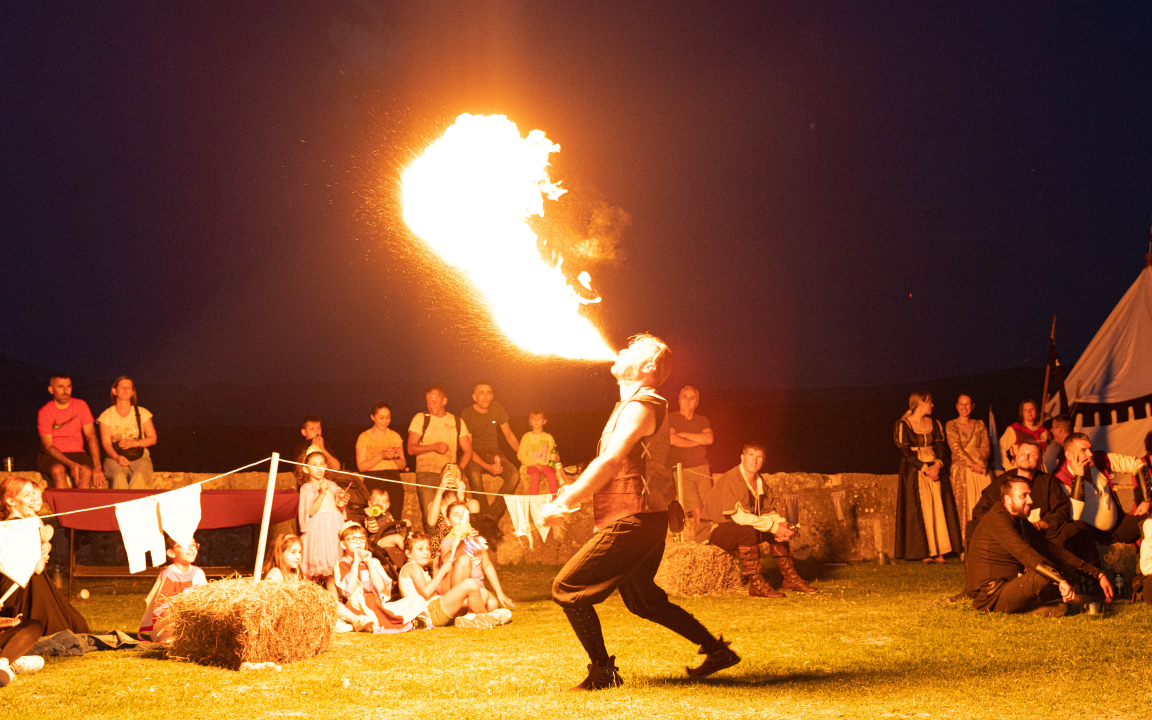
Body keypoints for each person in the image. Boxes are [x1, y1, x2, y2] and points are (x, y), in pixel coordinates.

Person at [541, 334, 739, 690]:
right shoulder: (633, 405)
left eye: (634, 349)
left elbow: (610, 461)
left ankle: (602, 672)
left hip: (634, 520)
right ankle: (717, 650)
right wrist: (573, 492)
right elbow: (619, 468)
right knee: (644, 601)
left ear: (648, 366)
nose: (621, 350)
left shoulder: (643, 405)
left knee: (567, 588)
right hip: (645, 520)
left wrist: (564, 502)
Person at [965, 476, 1111, 616]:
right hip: (991, 596)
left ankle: (1053, 606)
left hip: (1009, 586)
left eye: (1030, 495)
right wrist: (1059, 580)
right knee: (1042, 578)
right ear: (1008, 499)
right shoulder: (998, 519)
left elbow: (1053, 550)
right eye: (1024, 496)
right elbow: (1026, 554)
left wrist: (1098, 574)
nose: (1030, 500)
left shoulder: (1019, 520)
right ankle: (1051, 607)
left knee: (1059, 569)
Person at [0, 477, 87, 685]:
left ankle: (7, 662)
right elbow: (37, 568)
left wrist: (41, 546)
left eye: (34, 494)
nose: (33, 499)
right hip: (19, 593)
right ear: (10, 501)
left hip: (20, 588)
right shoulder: (19, 527)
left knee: (69, 624)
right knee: (66, 627)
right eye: (26, 495)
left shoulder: (11, 526)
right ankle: (9, 661)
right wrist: (40, 550)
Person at [702, 442, 816, 598]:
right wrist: (774, 527)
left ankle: (790, 579)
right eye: (751, 455)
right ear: (742, 457)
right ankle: (756, 585)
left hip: (737, 528)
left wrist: (782, 525)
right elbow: (739, 518)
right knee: (749, 530)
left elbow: (768, 511)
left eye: (759, 457)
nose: (754, 460)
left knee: (773, 529)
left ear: (763, 460)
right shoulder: (732, 479)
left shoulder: (760, 481)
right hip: (713, 530)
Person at [1054, 433, 1149, 567]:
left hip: (1118, 529)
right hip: (1094, 541)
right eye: (1083, 450)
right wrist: (1078, 477)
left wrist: (1146, 499)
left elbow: (1139, 464)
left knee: (1149, 517)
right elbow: (1074, 516)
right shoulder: (1060, 479)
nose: (1090, 454)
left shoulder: (1099, 459)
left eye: (1090, 449)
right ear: (1069, 455)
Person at [893, 392, 963, 562]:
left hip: (935, 467)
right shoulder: (903, 425)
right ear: (920, 403)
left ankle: (940, 550)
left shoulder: (935, 423)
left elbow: (940, 446)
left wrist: (937, 465)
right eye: (929, 402)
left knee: (938, 506)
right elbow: (905, 452)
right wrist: (924, 468)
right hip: (914, 470)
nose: (932, 405)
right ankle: (924, 551)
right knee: (920, 508)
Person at [398, 533, 507, 628]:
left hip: (435, 608)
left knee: (482, 593)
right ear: (408, 553)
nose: (426, 552)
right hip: (429, 611)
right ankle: (485, 618)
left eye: (428, 548)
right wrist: (442, 571)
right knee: (470, 584)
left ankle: (469, 618)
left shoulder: (416, 567)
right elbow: (426, 592)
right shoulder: (412, 567)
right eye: (420, 549)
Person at [332, 522, 425, 633]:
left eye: (362, 538)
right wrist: (356, 562)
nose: (358, 541)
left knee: (417, 599)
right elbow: (349, 591)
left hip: (379, 606)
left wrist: (369, 563)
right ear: (343, 545)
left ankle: (370, 623)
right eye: (352, 538)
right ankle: (373, 622)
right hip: (357, 605)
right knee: (357, 598)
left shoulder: (373, 561)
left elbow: (381, 588)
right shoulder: (341, 564)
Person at [459, 382, 521, 541]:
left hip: (494, 453)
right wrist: (488, 467)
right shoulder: (467, 414)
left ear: (492, 395)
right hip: (475, 454)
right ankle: (489, 525)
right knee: (473, 474)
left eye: (489, 392)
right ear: (474, 397)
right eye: (481, 392)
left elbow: (509, 436)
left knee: (514, 474)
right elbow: (468, 448)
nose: (485, 396)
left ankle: (488, 520)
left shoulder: (496, 408)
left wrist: (525, 456)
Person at [408, 386, 473, 532]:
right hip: (427, 473)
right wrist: (433, 447)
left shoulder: (457, 421)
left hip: (449, 476)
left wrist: (458, 472)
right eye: (428, 402)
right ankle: (433, 546)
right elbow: (411, 448)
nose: (430, 405)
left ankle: (453, 544)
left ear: (444, 401)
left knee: (456, 514)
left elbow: (468, 451)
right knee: (431, 518)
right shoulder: (421, 418)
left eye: (434, 402)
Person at [438, 501, 515, 611]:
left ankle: (467, 613)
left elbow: (487, 566)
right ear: (448, 521)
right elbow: (446, 561)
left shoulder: (477, 540)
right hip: (452, 587)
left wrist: (499, 592)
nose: (461, 518)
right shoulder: (449, 540)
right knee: (464, 558)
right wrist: (463, 542)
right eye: (456, 515)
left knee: (492, 604)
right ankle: (457, 605)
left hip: (476, 585)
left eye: (464, 515)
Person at [36, 374, 105, 489]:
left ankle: (81, 500)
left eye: (68, 386)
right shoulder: (45, 412)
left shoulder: (81, 406)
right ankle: (64, 500)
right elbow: (48, 446)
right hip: (53, 454)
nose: (65, 391)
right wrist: (71, 464)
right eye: (60, 387)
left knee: (86, 472)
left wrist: (97, 467)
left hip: (77, 453)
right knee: (58, 470)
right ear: (51, 390)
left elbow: (91, 436)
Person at [667, 386, 713, 542]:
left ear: (697, 403)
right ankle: (703, 542)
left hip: (702, 468)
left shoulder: (702, 420)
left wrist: (685, 435)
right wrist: (697, 441)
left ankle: (708, 539)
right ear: (679, 400)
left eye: (692, 397)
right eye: (684, 397)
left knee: (708, 506)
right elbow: (672, 439)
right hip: (681, 469)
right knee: (696, 508)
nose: (688, 400)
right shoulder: (671, 417)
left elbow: (709, 439)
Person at [139, 537, 207, 642]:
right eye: (185, 545)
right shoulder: (168, 574)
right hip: (167, 622)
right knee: (171, 612)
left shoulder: (198, 573)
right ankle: (169, 638)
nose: (192, 549)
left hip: (189, 617)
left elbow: (206, 597)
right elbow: (161, 605)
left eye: (194, 545)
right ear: (171, 553)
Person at [97, 376, 158, 489]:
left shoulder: (142, 413)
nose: (125, 390)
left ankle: (134, 501)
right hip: (114, 456)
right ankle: (120, 500)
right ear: (114, 391)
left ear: (132, 392)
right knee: (118, 476)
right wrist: (116, 457)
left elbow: (153, 438)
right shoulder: (106, 415)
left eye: (129, 387)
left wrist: (135, 443)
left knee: (139, 476)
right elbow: (106, 443)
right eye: (122, 387)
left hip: (140, 456)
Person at [297, 449, 349, 582]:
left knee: (333, 567)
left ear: (326, 466)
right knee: (319, 561)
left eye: (321, 464)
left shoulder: (333, 485)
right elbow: (310, 512)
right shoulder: (307, 487)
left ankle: (334, 593)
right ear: (306, 469)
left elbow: (338, 506)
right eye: (314, 465)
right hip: (318, 528)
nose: (319, 467)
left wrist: (341, 501)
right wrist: (321, 494)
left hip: (334, 525)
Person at [944, 394, 990, 540]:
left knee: (983, 504)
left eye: (967, 404)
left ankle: (986, 540)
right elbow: (956, 449)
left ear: (972, 406)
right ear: (957, 406)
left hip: (980, 469)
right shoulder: (951, 425)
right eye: (961, 404)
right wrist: (972, 464)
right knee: (965, 507)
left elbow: (986, 447)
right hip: (962, 469)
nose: (964, 408)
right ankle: (966, 541)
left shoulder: (980, 424)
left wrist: (980, 463)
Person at [355, 402, 406, 523]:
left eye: (388, 417)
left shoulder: (395, 436)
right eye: (381, 418)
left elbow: (402, 465)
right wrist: (381, 456)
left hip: (393, 478)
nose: (385, 421)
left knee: (394, 516)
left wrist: (395, 457)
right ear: (373, 417)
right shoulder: (364, 437)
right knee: (373, 518)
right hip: (373, 478)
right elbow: (361, 467)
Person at [424, 464, 480, 558]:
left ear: (462, 480)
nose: (452, 478)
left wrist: (461, 498)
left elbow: (469, 529)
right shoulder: (436, 504)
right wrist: (439, 491)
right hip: (442, 550)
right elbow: (431, 522)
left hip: (465, 548)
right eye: (448, 475)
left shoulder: (472, 504)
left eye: (456, 476)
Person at [999, 399, 1052, 470]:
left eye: (1031, 409)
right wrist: (1008, 467)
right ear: (1022, 413)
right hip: (1019, 469)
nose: (1029, 412)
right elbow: (999, 448)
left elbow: (1048, 452)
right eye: (1025, 410)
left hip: (1039, 470)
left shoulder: (1043, 431)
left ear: (1036, 411)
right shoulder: (1014, 429)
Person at [291, 416, 342, 486]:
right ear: (304, 432)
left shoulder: (326, 445)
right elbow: (300, 470)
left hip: (326, 483)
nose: (316, 431)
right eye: (312, 429)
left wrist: (322, 449)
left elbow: (336, 467)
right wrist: (314, 448)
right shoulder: (300, 448)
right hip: (308, 484)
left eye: (318, 428)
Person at [518, 410, 558, 497]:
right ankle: (534, 501)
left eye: (539, 419)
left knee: (552, 475)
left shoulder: (549, 437)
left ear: (544, 421)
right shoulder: (527, 437)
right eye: (533, 419)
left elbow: (553, 454)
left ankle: (555, 500)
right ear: (530, 422)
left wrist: (556, 458)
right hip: (532, 464)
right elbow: (521, 455)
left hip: (546, 464)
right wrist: (534, 463)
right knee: (535, 475)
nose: (536, 421)